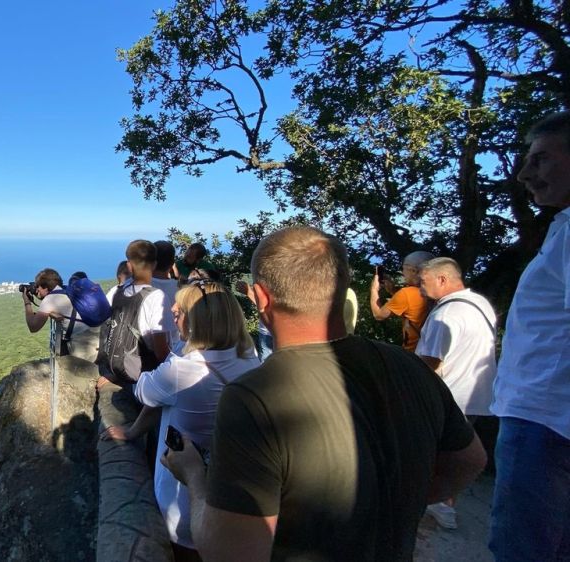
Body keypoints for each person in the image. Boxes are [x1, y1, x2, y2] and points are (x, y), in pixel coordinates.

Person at [162, 226, 485, 561]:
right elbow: (470, 460)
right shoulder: (410, 366)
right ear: (342, 286)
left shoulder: (254, 396)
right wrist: (392, 506)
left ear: (260, 298)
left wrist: (194, 476)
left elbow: (228, 552)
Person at [100, 282, 258, 560]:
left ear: (200, 320)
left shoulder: (182, 369)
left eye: (181, 310)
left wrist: (179, 349)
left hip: (182, 500)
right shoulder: (249, 357)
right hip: (233, 491)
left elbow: (143, 392)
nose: (173, 311)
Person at [489, 111, 570, 562]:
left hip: (546, 421)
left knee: (524, 550)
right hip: (546, 418)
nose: (524, 174)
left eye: (540, 160)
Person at [415, 257, 497, 530]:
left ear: (442, 279)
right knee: (458, 450)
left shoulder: (444, 315)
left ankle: (427, 504)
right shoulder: (481, 305)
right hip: (478, 395)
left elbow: (429, 366)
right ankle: (446, 506)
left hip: (449, 397)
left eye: (424, 282)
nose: (420, 287)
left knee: (430, 454)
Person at [96, 240, 172, 387]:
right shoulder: (157, 297)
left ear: (129, 266)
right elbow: (161, 351)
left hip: (118, 368)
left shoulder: (117, 291)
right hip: (145, 376)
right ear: (155, 264)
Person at [369, 250, 435, 352]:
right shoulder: (435, 290)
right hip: (431, 349)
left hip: (414, 352)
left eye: (404, 268)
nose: (402, 272)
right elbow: (412, 305)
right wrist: (392, 290)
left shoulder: (406, 294)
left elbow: (379, 315)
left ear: (414, 271)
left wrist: (374, 290)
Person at [22, 268, 90, 355]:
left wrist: (27, 302)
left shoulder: (49, 300)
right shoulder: (66, 290)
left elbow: (33, 327)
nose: (37, 290)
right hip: (96, 337)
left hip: (82, 346)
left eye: (38, 286)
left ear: (46, 288)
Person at [152, 241, 181, 350]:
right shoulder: (180, 290)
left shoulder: (142, 286)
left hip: (143, 349)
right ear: (172, 263)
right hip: (174, 347)